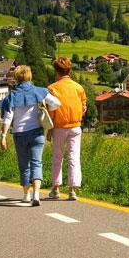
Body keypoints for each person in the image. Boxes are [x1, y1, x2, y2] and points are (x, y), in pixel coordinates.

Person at [0, 65, 60, 206]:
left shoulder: (12, 96)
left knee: (24, 164)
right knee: (36, 162)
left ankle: (26, 195)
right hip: (37, 132)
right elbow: (57, 103)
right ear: (29, 76)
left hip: (19, 134)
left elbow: (8, 118)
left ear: (16, 78)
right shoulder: (39, 91)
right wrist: (45, 107)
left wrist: (3, 135)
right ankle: (37, 194)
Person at [47, 57, 87, 201]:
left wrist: (49, 128)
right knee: (74, 157)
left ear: (56, 71)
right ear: (69, 70)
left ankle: (56, 188)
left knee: (57, 157)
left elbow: (51, 110)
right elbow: (83, 107)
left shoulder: (52, 88)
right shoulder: (78, 87)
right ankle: (73, 190)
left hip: (59, 127)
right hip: (75, 126)